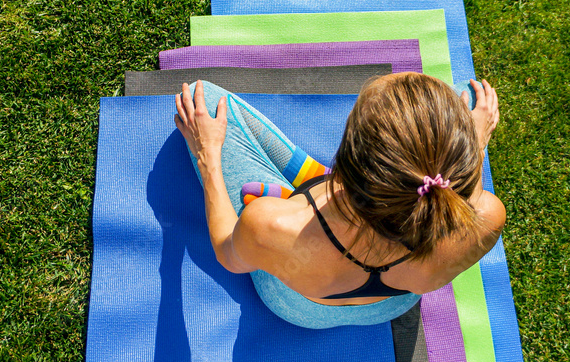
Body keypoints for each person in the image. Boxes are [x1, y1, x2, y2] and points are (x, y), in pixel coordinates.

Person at [174, 72, 505, 329]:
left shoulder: (272, 224)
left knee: (203, 98)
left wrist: (209, 159)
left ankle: (309, 186)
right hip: (389, 306)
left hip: (301, 308)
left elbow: (228, 253)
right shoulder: (486, 216)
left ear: (347, 162)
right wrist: (474, 142)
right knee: (462, 96)